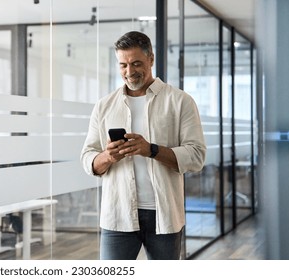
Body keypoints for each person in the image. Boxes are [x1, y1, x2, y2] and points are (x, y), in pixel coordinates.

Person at [80, 31, 206, 260]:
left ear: (151, 59)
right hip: (117, 215)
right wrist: (108, 156)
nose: (129, 72)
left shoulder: (180, 101)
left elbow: (196, 156)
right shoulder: (104, 106)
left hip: (164, 215)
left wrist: (151, 150)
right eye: (123, 65)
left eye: (136, 63)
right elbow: (88, 158)